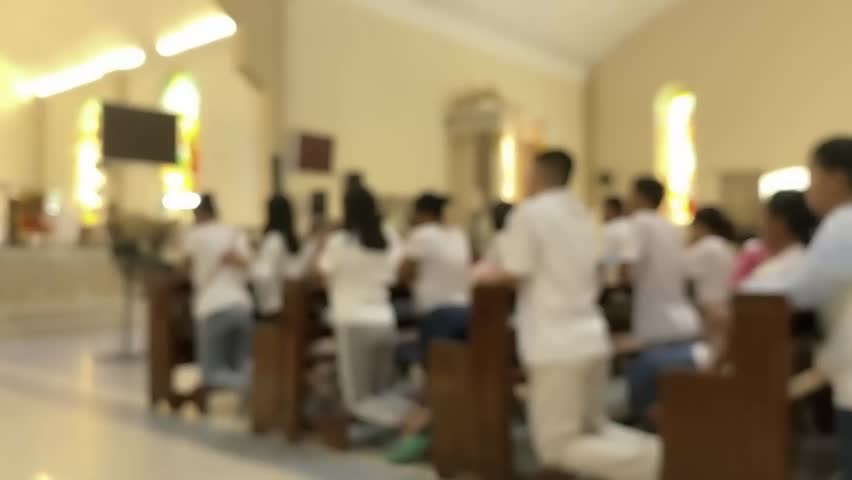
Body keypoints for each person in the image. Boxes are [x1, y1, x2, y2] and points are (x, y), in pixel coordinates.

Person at [478, 150, 660, 480]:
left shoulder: (531, 212)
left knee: (557, 448)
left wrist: (481, 275)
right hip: (591, 336)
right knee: (594, 430)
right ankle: (660, 450)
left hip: (555, 344)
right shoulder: (584, 214)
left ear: (536, 175)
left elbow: (516, 271)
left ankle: (664, 464)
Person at [313, 186, 410, 428]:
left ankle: (411, 420)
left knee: (358, 401)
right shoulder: (390, 237)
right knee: (382, 391)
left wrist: (321, 241)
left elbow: (319, 273)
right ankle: (412, 416)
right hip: (385, 319)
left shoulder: (341, 241)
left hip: (352, 321)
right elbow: (400, 272)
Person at [785, 138, 852, 480]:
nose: (809, 189)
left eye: (813, 176)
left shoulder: (843, 221)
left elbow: (805, 292)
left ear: (837, 179)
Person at [620, 177, 702, 428]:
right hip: (683, 323)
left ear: (640, 197)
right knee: (674, 401)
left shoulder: (638, 223)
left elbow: (627, 265)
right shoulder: (671, 227)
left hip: (655, 324)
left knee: (648, 402)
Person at [182, 194, 253, 391]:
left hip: (211, 306)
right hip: (242, 304)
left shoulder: (195, 235)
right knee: (241, 364)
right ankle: (252, 396)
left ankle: (255, 388)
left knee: (211, 374)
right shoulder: (234, 233)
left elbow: (186, 266)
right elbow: (248, 263)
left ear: (200, 214)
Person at [399, 192, 471, 363]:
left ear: (421, 213)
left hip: (436, 313)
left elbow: (403, 273)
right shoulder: (458, 235)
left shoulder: (422, 234)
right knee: (457, 366)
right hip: (466, 311)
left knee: (434, 367)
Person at [740, 191, 817, 292]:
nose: (760, 226)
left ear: (779, 223)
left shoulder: (771, 274)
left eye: (764, 218)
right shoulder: (815, 263)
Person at [252, 194, 301, 319]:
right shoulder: (290, 239)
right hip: (291, 303)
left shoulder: (273, 239)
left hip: (274, 306)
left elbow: (263, 274)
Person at [601, 196, 632, 288]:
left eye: (604, 209)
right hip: (630, 283)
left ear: (611, 209)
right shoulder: (630, 226)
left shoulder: (609, 229)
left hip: (611, 282)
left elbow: (602, 259)